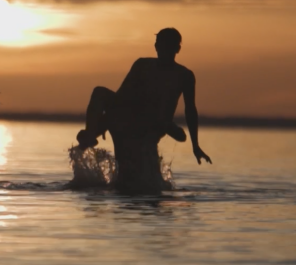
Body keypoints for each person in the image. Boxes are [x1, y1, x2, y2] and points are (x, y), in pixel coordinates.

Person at [76, 28, 211, 182]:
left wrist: (196, 145)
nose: (163, 50)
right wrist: (103, 121)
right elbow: (121, 98)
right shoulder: (142, 65)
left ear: (177, 49)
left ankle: (168, 127)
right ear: (156, 46)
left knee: (173, 132)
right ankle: (90, 135)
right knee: (99, 92)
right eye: (160, 46)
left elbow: (190, 110)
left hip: (156, 123)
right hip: (134, 115)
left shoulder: (184, 75)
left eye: (168, 47)